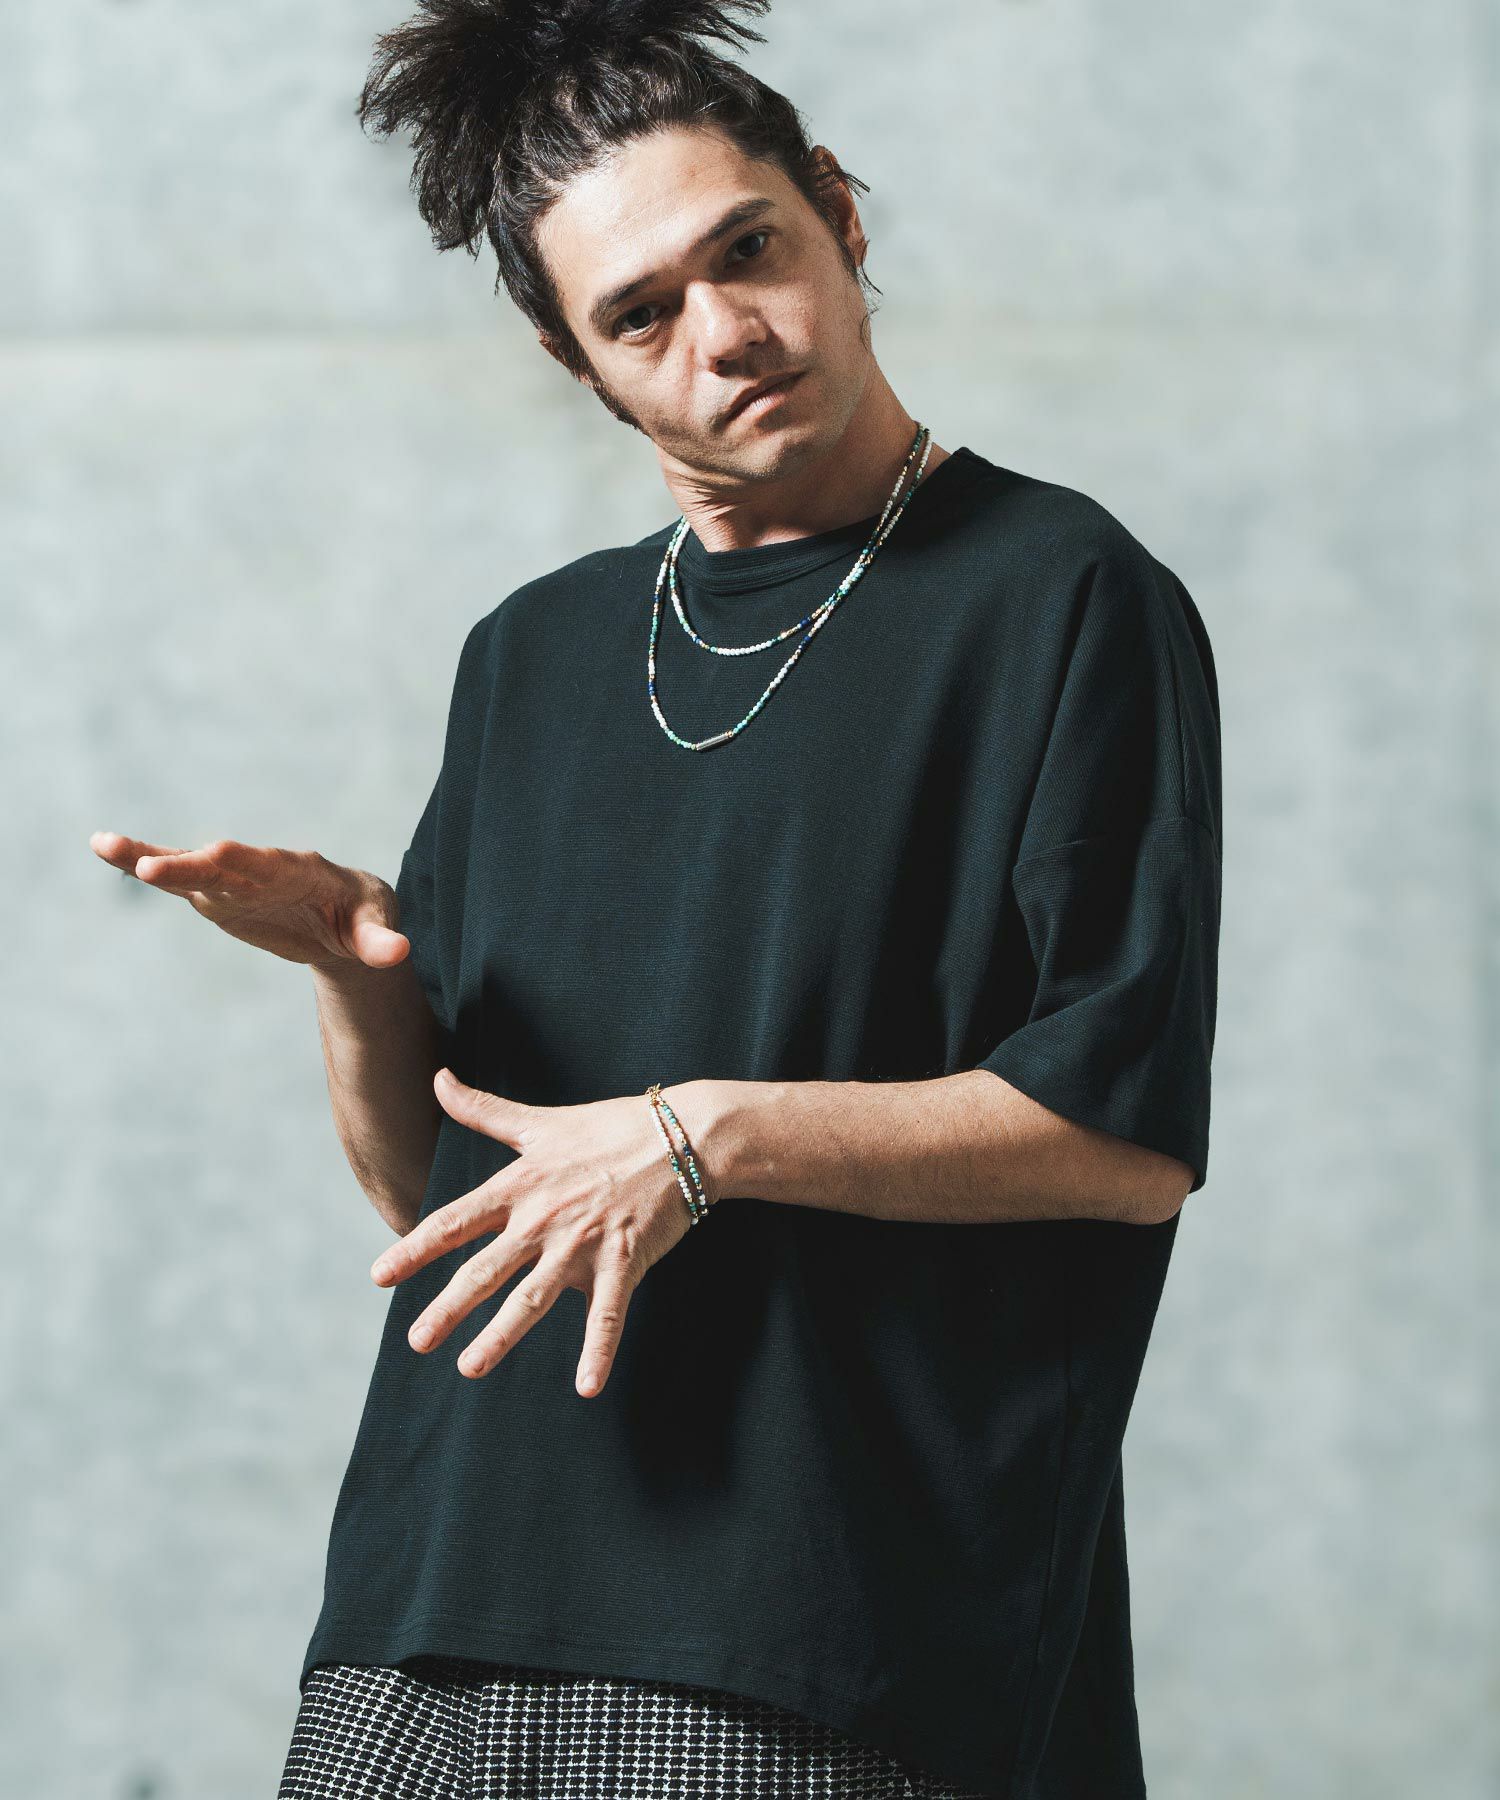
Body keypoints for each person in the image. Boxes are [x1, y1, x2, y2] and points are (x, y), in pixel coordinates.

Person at [90, 1, 1224, 1794]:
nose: (727, 333)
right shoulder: (529, 654)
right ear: (579, 363)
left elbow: (1121, 1139)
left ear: (837, 212)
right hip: (435, 1602)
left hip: (814, 1630)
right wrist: (356, 976)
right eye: (642, 313)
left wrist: (704, 1138)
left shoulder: (1061, 595)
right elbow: (456, 1210)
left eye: (748, 251)